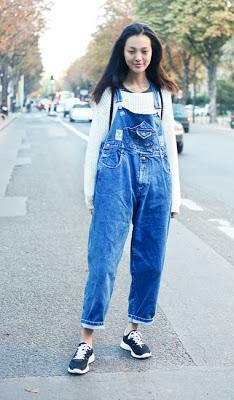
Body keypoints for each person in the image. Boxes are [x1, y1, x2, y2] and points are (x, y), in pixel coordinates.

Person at [68, 22, 181, 375]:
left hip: (157, 184)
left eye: (144, 51)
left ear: (153, 54)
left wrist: (175, 197)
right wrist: (91, 193)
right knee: (103, 260)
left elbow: (170, 152)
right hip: (115, 181)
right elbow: (94, 147)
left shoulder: (162, 94)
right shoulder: (110, 93)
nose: (138, 56)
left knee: (150, 261)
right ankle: (87, 340)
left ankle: (134, 331)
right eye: (132, 50)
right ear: (122, 52)